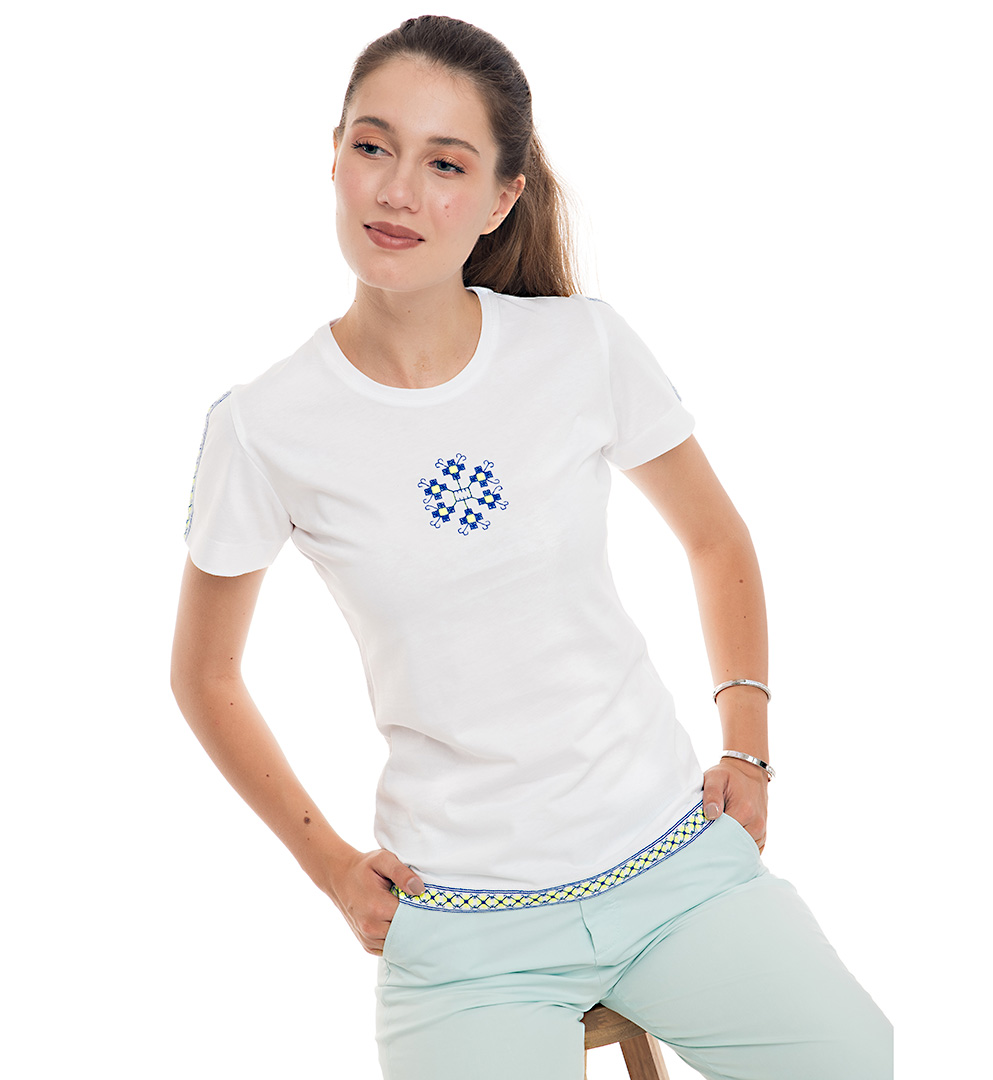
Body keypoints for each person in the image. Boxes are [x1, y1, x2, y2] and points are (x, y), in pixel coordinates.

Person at [171, 15, 892, 1080]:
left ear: (502, 197)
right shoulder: (265, 425)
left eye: (445, 164)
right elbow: (205, 673)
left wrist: (746, 747)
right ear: (334, 155)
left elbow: (715, 537)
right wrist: (329, 866)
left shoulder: (579, 345)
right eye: (373, 147)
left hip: (670, 863)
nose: (397, 192)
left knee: (854, 1058)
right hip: (463, 921)